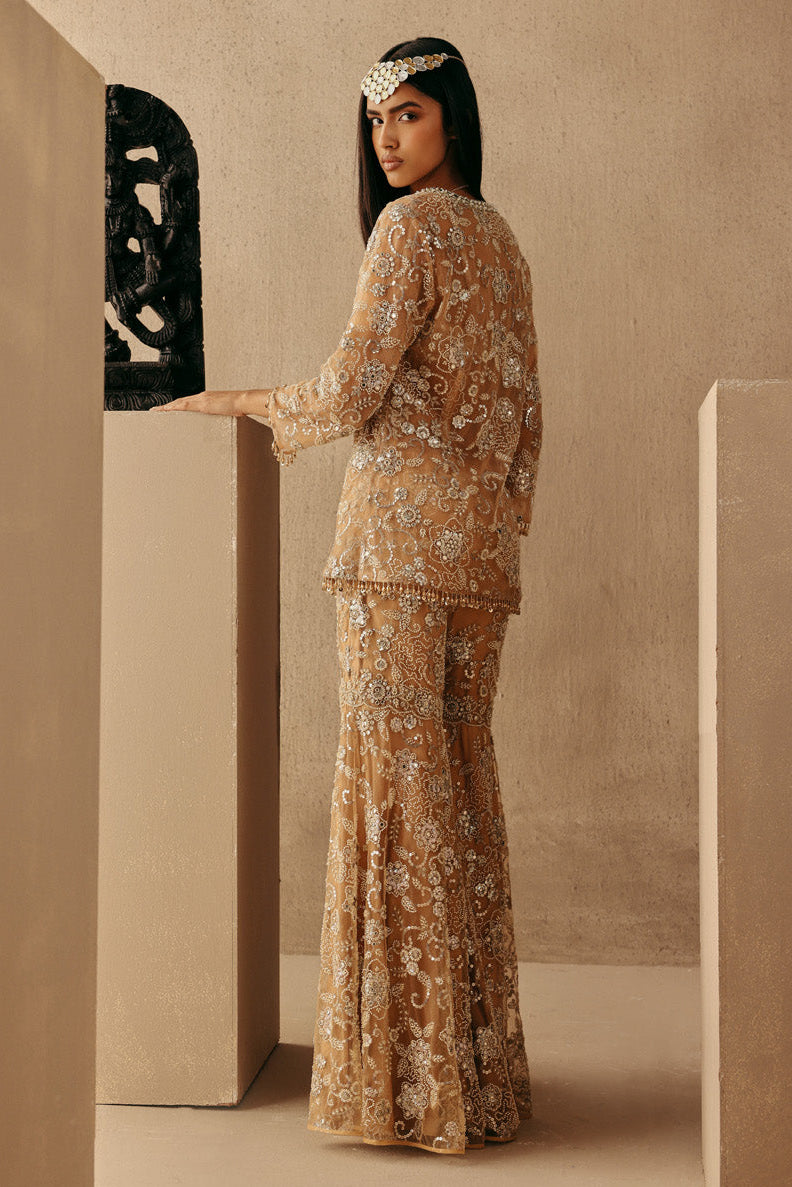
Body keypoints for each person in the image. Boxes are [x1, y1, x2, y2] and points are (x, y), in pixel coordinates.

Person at [152, 35, 543, 1156]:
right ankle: (474, 1081)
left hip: (394, 553)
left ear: (453, 119)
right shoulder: (503, 243)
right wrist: (493, 526)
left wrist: (228, 401)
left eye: (408, 113)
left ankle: (404, 1092)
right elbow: (526, 419)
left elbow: (349, 387)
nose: (387, 137)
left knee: (395, 803)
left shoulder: (410, 228)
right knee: (458, 800)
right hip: (478, 559)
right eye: (376, 120)